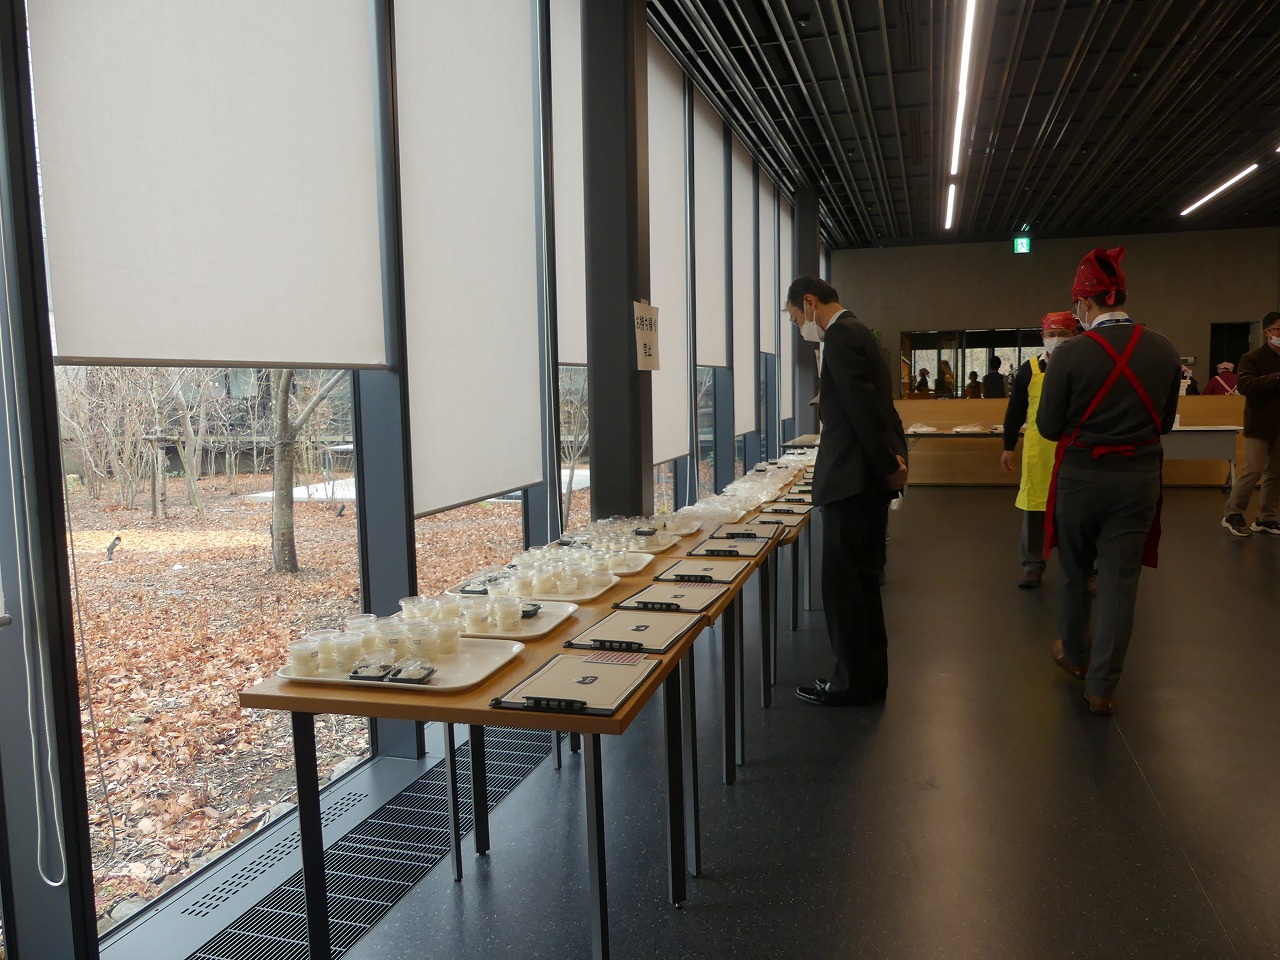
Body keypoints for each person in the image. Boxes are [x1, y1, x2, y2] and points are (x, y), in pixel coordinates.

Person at [1037, 247, 1181, 717]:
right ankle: (1103, 687)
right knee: (1120, 581)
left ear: (1084, 304)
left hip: (1081, 477)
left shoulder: (1070, 354)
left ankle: (1076, 656)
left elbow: (1047, 427)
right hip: (1138, 479)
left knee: (1075, 570)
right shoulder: (1164, 349)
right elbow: (1164, 423)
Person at [784, 276, 907, 707]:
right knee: (864, 585)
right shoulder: (863, 333)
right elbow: (883, 409)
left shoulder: (838, 337)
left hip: (848, 483)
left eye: (795, 317)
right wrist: (896, 460)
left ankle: (850, 683)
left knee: (844, 590)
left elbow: (862, 411)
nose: (798, 326)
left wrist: (889, 466)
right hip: (865, 482)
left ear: (810, 302)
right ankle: (870, 679)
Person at [1000, 311, 1078, 588]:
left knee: (1077, 511)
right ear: (1042, 336)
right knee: (1034, 507)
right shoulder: (1030, 368)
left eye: (1063, 334)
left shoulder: (1083, 366)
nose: (1056, 339)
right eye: (1051, 334)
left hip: (1074, 447)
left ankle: (1083, 569)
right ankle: (1032, 564)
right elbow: (1015, 410)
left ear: (1075, 335)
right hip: (1039, 449)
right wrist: (1008, 446)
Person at [1221, 311, 1280, 536]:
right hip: (1259, 423)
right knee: (1253, 469)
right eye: (1279, 330)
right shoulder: (1252, 358)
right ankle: (1233, 513)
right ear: (1267, 332)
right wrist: (1276, 377)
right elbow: (1245, 385)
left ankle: (1266, 517)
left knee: (1276, 473)